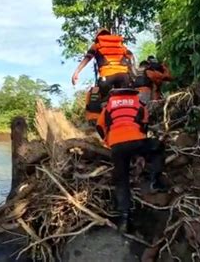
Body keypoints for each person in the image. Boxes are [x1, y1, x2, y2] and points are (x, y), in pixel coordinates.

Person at [96, 88, 168, 232]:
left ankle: (124, 219)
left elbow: (99, 126)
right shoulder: (138, 103)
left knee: (121, 180)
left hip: (116, 145)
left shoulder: (109, 106)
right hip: (137, 141)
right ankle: (155, 181)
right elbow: (144, 124)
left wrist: (107, 141)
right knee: (158, 148)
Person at [72, 28, 134, 102]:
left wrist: (76, 72)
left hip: (107, 76)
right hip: (124, 76)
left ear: (98, 36)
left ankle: (105, 109)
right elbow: (131, 57)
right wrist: (132, 73)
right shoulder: (120, 45)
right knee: (125, 100)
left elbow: (88, 58)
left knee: (103, 101)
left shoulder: (96, 45)